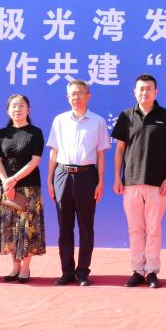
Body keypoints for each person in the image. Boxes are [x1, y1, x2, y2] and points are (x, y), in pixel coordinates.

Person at [112, 74, 166, 289]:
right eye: (141, 89)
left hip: (157, 183)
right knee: (135, 229)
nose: (145, 92)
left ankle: (152, 270)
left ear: (156, 92)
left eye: (149, 89)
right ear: (135, 92)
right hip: (131, 182)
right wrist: (117, 177)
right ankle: (137, 270)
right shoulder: (126, 116)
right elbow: (120, 150)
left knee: (153, 229)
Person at [47, 80, 110, 287]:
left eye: (79, 93)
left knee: (86, 226)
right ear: (68, 97)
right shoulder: (59, 120)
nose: (75, 97)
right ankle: (66, 271)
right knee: (64, 227)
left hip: (87, 176)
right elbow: (54, 152)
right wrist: (50, 180)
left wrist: (101, 181)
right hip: (62, 175)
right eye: (72, 94)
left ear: (88, 96)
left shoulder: (98, 122)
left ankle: (83, 271)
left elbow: (101, 155)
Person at [0, 93, 46, 283]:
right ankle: (14, 267)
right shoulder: (1, 134)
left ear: (28, 110)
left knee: (27, 228)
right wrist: (5, 182)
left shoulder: (35, 132)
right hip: (7, 188)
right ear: (8, 111)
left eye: (22, 105)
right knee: (10, 228)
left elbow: (35, 161)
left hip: (28, 188)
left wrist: (14, 179)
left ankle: (25, 268)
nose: (18, 109)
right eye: (14, 106)